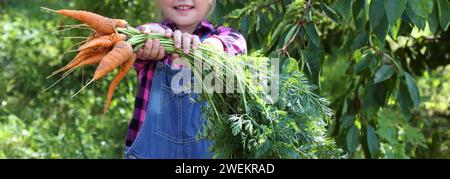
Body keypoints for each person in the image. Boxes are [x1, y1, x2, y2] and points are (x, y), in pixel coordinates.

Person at [125, 0, 247, 159]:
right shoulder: (153, 36)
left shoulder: (227, 36)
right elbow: (136, 44)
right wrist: (146, 37)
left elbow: (236, 45)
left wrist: (211, 47)